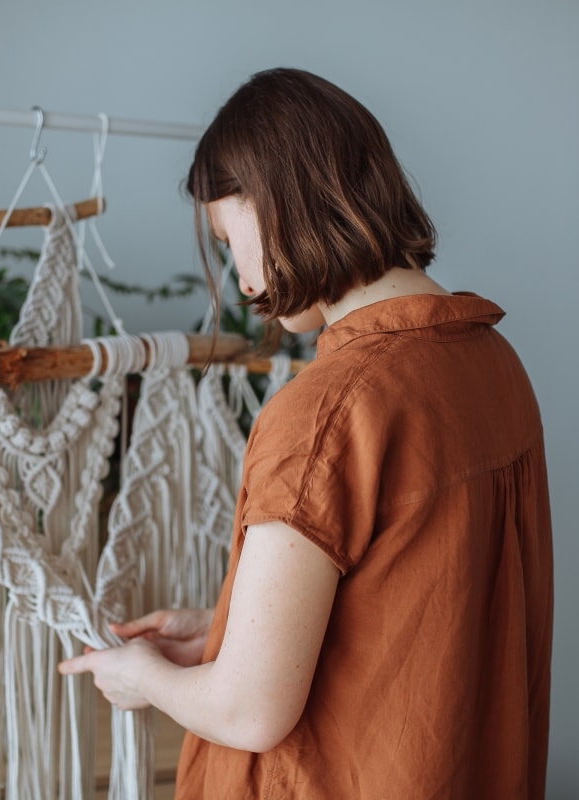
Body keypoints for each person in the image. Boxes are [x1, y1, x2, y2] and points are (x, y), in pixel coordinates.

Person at [59, 67, 553, 799]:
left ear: (282, 206)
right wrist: (226, 631)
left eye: (231, 237)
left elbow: (249, 711)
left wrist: (148, 678)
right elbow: (412, 611)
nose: (238, 273)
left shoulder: (325, 411)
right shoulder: (493, 364)